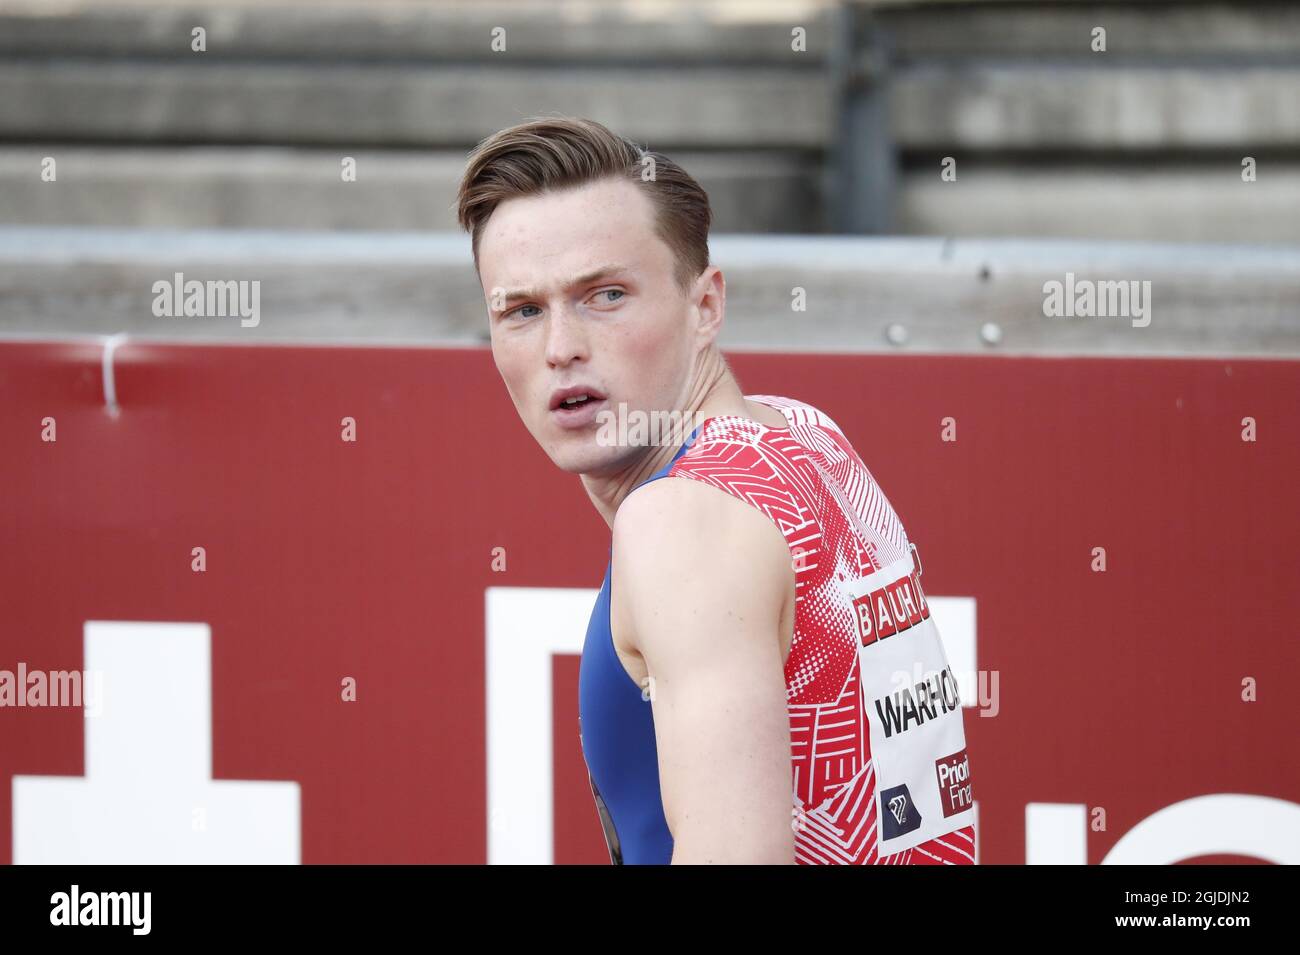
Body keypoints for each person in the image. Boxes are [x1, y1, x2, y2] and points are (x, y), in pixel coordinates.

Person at [457, 116, 976, 865]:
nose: (560, 347)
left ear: (705, 306)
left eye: (604, 295)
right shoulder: (804, 433)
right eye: (523, 310)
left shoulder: (682, 519)